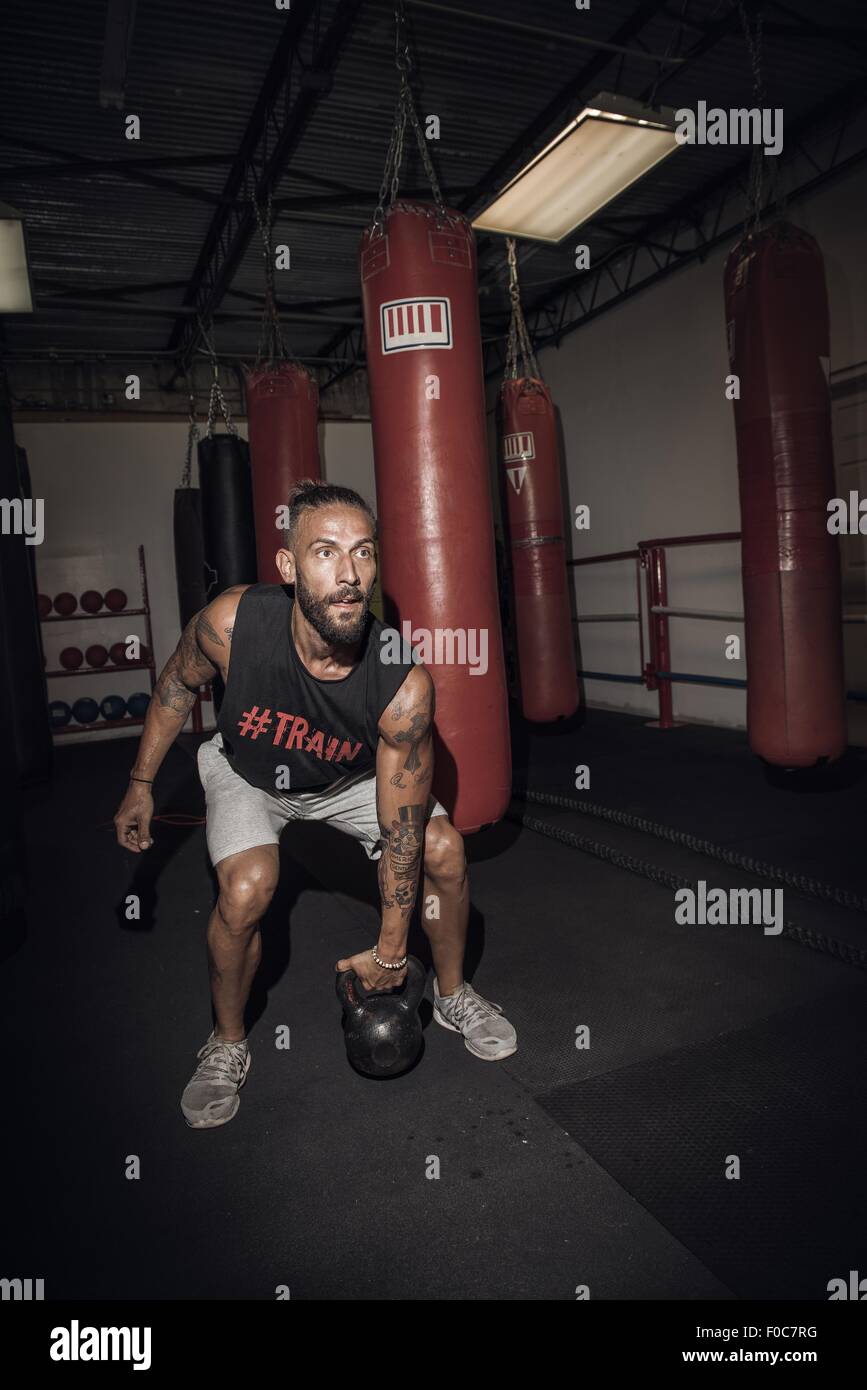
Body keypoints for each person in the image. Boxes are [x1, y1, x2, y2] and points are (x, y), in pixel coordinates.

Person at [114, 480, 517, 1128]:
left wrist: (390, 956)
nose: (348, 573)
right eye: (325, 552)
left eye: (362, 552)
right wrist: (140, 783)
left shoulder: (401, 682)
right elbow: (173, 688)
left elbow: (403, 834)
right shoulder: (231, 623)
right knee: (246, 889)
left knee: (444, 849)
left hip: (346, 781)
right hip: (248, 772)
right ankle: (226, 1040)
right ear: (287, 566)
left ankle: (451, 993)